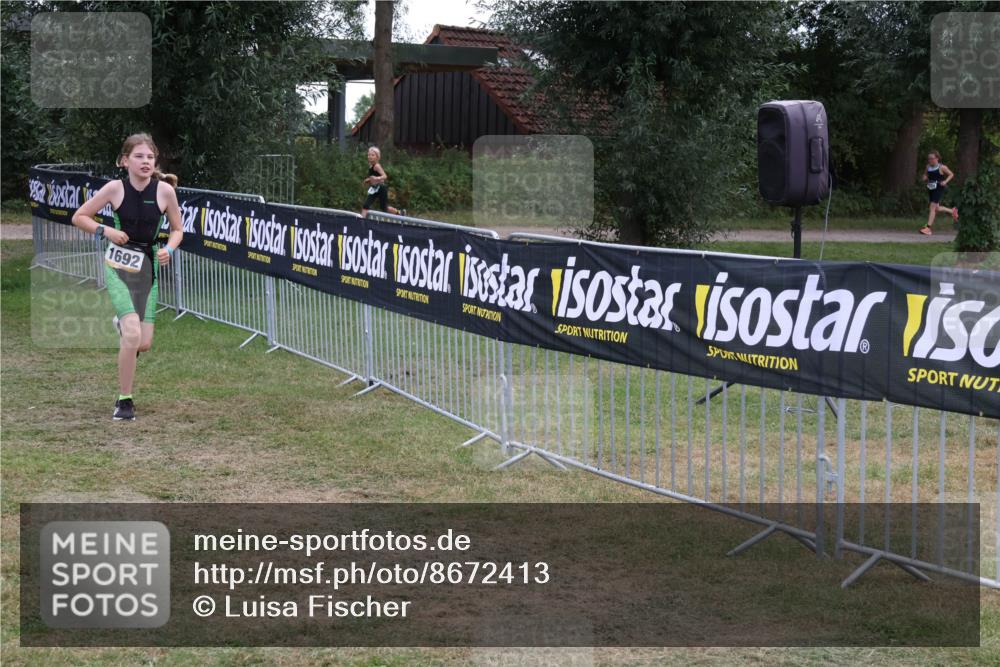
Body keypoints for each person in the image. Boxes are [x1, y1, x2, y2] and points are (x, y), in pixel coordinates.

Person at [71, 133, 183, 421]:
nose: (145, 162)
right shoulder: (114, 188)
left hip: (148, 268)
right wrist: (106, 231)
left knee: (142, 343)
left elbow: (177, 229)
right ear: (124, 161)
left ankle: (123, 329)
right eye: (139, 156)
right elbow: (79, 216)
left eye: (150, 157)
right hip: (118, 265)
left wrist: (168, 248)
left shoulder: (165, 192)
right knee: (133, 332)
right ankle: (125, 401)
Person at [919, 150, 958, 235]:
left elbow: (951, 174)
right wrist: (924, 177)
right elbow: (925, 175)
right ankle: (952, 211)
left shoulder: (942, 167)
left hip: (938, 188)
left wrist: (945, 182)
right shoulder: (928, 166)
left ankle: (928, 228)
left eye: (932, 158)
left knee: (932, 207)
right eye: (929, 159)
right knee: (936, 208)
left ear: (937, 158)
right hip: (930, 188)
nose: (930, 160)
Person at [360, 146, 404, 217]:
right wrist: (368, 180)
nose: (370, 156)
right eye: (369, 155)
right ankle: (361, 221)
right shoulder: (370, 166)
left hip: (381, 188)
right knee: (366, 205)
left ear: (377, 157)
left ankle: (399, 212)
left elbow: (385, 176)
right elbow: (373, 176)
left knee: (384, 207)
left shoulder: (377, 166)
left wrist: (377, 178)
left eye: (372, 155)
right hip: (374, 189)